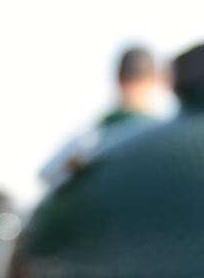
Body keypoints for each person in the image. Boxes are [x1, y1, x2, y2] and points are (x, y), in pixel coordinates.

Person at [40, 46, 168, 188]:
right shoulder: (167, 139)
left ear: (118, 77)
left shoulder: (90, 139)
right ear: (156, 79)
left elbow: (46, 175)